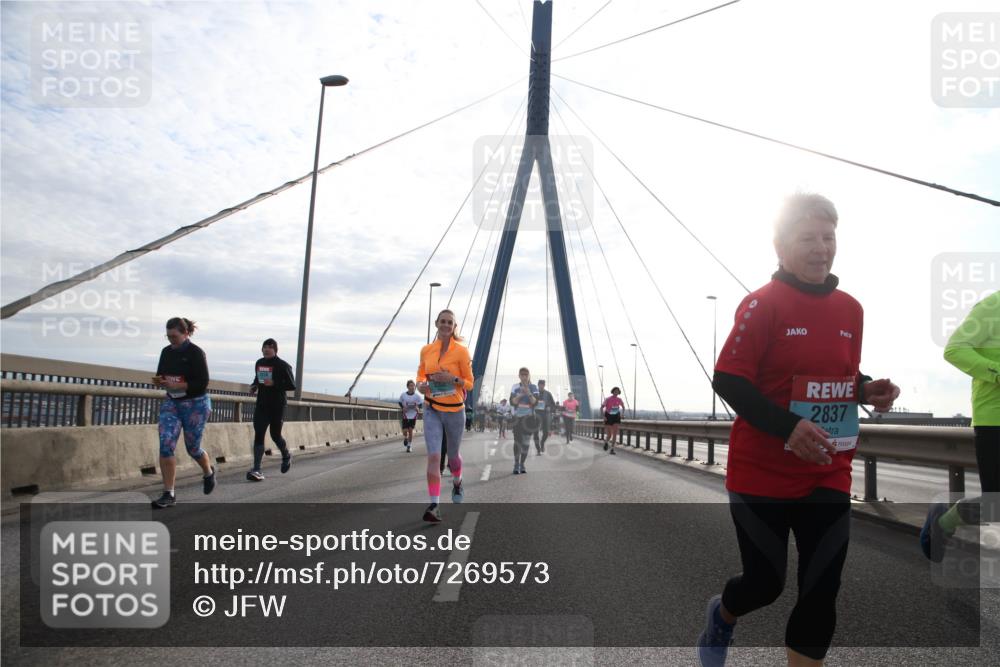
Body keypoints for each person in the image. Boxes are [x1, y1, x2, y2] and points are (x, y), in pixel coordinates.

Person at [695, 193, 899, 667]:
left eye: (828, 238)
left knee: (822, 589)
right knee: (766, 584)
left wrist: (866, 389)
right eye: (808, 238)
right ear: (780, 246)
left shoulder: (851, 309)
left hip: (827, 470)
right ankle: (722, 615)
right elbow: (728, 378)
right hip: (760, 474)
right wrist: (788, 428)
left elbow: (842, 373)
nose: (821, 248)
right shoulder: (761, 305)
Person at [921, 290, 999, 561]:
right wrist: (997, 372)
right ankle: (944, 519)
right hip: (994, 419)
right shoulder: (992, 306)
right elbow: (955, 350)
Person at [150, 317, 218, 508]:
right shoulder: (166, 352)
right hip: (172, 403)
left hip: (196, 404)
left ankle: (208, 472)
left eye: (174, 336)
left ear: (185, 333)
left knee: (193, 448)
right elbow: (162, 373)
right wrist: (161, 381)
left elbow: (202, 382)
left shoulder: (196, 353)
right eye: (168, 336)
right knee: (166, 443)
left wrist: (177, 384)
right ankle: (168, 493)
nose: (171, 340)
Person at [416, 309, 475, 523]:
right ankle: (434, 505)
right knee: (433, 457)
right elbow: (421, 374)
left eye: (450, 322)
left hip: (454, 411)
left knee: (453, 458)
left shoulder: (461, 351)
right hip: (432, 408)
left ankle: (457, 481)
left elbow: (469, 383)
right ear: (436, 323)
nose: (446, 325)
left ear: (454, 326)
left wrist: (453, 379)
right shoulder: (426, 350)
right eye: (443, 321)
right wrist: (421, 385)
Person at [246, 338, 295, 481]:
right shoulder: (259, 363)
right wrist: (254, 386)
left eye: (270, 347)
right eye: (264, 347)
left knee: (275, 435)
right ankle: (257, 469)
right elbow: (258, 379)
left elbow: (291, 385)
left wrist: (275, 383)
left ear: (275, 350)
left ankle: (286, 455)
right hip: (262, 405)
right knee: (259, 433)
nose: (267, 349)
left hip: (277, 405)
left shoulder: (283, 365)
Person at [509, 368, 539, 474]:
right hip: (517, 418)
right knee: (517, 442)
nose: (524, 377)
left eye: (526, 375)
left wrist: (528, 393)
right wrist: (521, 394)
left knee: (526, 443)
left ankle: (522, 464)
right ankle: (516, 464)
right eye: (522, 375)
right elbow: (512, 402)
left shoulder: (534, 387)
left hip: (530, 419)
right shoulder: (515, 387)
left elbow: (535, 402)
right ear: (519, 376)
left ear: (529, 375)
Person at [399, 380, 422, 453]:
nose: (412, 387)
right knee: (405, 431)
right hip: (406, 415)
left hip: (413, 415)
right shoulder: (403, 395)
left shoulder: (417, 396)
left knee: (410, 430)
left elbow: (420, 404)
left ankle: (409, 446)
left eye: (413, 386)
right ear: (407, 387)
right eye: (410, 386)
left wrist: (418, 408)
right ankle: (405, 437)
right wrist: (403, 408)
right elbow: (400, 402)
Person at [533, 379, 556, 454]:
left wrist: (550, 408)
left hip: (545, 414)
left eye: (543, 385)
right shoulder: (534, 393)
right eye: (540, 385)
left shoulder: (548, 394)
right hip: (536, 414)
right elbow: (529, 403)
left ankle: (542, 442)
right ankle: (538, 449)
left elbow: (553, 405)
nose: (542, 386)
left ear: (544, 385)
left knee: (546, 432)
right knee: (535, 432)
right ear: (538, 385)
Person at [601, 387, 625, 455]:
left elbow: (623, 407)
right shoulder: (608, 399)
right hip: (608, 416)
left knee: (615, 434)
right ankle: (606, 442)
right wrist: (603, 417)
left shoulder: (619, 399)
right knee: (609, 435)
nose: (616, 392)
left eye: (617, 391)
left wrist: (622, 414)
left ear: (619, 392)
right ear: (613, 391)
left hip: (616, 417)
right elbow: (601, 407)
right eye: (615, 391)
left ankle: (612, 449)